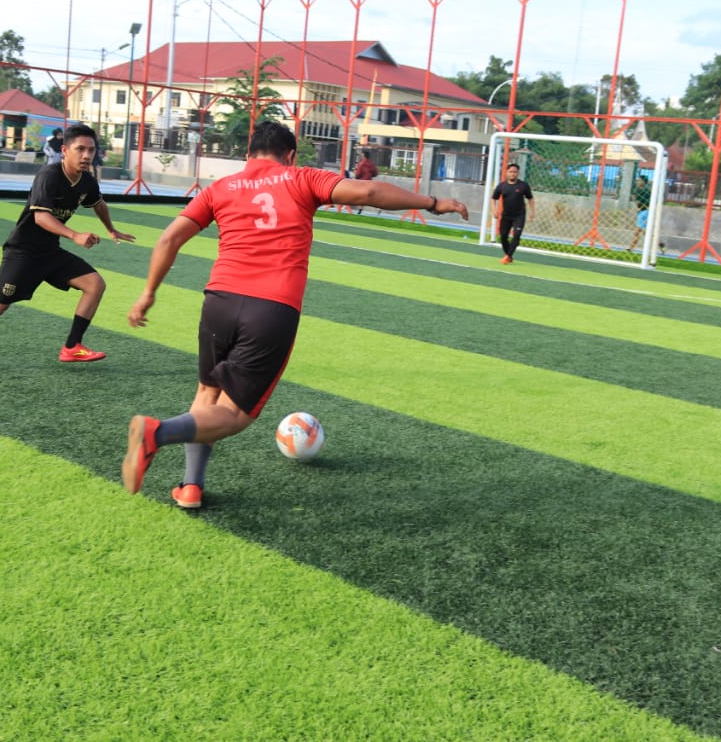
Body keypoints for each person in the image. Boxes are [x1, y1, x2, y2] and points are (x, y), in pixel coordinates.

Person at [122, 120, 468, 510]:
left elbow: (169, 238)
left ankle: (190, 486)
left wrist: (148, 293)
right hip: (271, 307)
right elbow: (368, 191)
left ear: (248, 154)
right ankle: (157, 433)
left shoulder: (221, 188)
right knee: (234, 415)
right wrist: (432, 203)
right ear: (289, 155)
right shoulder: (301, 178)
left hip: (218, 300)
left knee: (207, 391)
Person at [0, 123, 135, 371]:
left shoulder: (86, 180)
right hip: (23, 253)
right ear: (65, 150)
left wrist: (110, 228)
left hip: (50, 252)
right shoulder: (50, 176)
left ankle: (72, 347)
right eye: (80, 149)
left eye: (91, 150)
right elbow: (40, 218)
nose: (87, 155)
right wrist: (74, 235)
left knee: (95, 284)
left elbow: (98, 203)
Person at [491, 162, 534, 264]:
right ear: (507, 172)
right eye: (511, 172)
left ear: (517, 173)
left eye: (515, 172)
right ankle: (508, 254)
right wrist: (494, 210)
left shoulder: (523, 185)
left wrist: (532, 212)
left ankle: (508, 256)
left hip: (519, 215)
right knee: (503, 236)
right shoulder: (502, 186)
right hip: (506, 215)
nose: (513, 174)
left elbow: (530, 199)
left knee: (516, 235)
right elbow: (493, 199)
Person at [629, 173, 652, 251]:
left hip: (644, 212)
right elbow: (635, 199)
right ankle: (660, 244)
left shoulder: (646, 190)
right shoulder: (638, 189)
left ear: (643, 181)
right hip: (642, 211)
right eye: (638, 180)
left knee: (638, 231)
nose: (638, 181)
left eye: (639, 180)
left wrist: (640, 207)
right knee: (643, 232)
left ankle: (630, 248)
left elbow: (647, 202)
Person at [353, 149, 378, 214]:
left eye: (361, 154)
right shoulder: (371, 164)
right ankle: (361, 209)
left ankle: (359, 210)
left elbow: (358, 174)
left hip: (362, 183)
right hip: (369, 183)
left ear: (363, 155)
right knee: (368, 197)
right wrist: (370, 175)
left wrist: (356, 177)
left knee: (359, 195)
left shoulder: (361, 164)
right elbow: (375, 173)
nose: (361, 155)